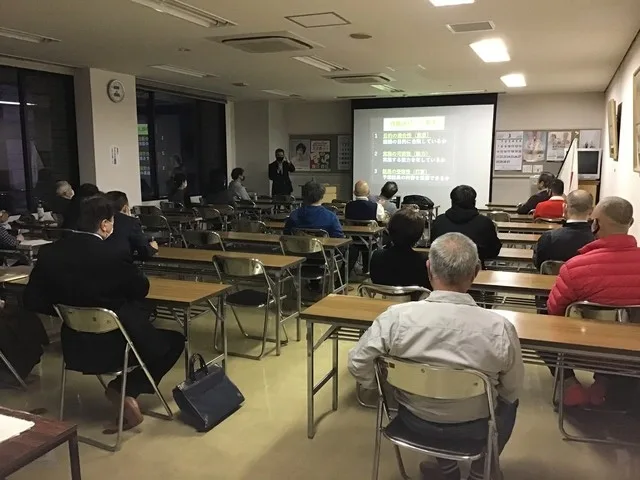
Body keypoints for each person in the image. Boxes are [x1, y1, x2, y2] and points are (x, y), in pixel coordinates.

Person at [349, 233, 523, 480]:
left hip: (412, 419)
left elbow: (358, 363)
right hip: (475, 427)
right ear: (476, 271)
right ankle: (479, 471)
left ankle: (447, 469)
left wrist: (385, 387)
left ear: (429, 269)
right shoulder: (500, 328)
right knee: (510, 402)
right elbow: (512, 389)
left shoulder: (395, 318)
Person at [23, 196, 184, 429]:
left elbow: (31, 300)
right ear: (105, 225)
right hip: (119, 346)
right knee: (175, 340)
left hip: (74, 346)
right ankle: (126, 388)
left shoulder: (49, 253)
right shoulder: (113, 254)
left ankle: (123, 390)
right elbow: (141, 289)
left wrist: (69, 312)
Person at [547, 196, 640, 407]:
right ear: (631, 223)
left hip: (585, 352)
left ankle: (570, 384)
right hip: (634, 351)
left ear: (595, 224)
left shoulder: (575, 267)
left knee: (544, 325)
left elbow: (554, 310)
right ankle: (604, 383)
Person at [430, 185, 501, 266]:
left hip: (442, 269)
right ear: (474, 202)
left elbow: (433, 246)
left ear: (452, 201)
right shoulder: (485, 223)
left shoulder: (439, 221)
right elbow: (493, 251)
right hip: (473, 270)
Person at [369, 208, 430, 289]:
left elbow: (375, 280)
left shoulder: (377, 256)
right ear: (419, 235)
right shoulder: (425, 262)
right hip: (415, 297)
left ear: (389, 230)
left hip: (383, 296)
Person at [533, 190, 594, 270]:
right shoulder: (597, 239)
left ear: (564, 208)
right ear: (591, 211)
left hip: (554, 278)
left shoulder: (548, 238)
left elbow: (539, 264)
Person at [105, 191, 158, 262]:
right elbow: (145, 253)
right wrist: (153, 248)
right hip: (122, 265)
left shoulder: (99, 219)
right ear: (125, 208)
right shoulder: (131, 222)